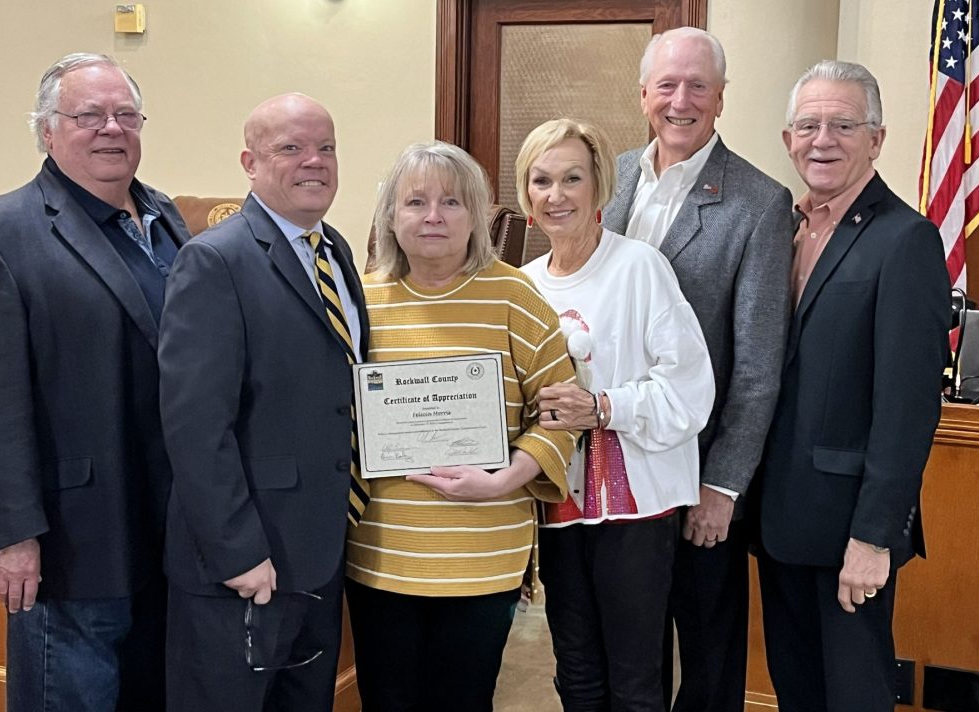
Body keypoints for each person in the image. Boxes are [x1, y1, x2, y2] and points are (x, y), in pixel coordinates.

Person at [0, 53, 189, 710]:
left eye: (125, 114)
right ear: (48, 131)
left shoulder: (165, 220)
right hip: (71, 545)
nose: (111, 128)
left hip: (169, 534)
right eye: (88, 116)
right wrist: (11, 536)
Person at [602, 26, 794, 711]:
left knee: (708, 653)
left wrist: (722, 486)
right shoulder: (608, 175)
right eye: (666, 85)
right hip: (611, 463)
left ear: (719, 98)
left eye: (698, 86)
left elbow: (757, 364)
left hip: (697, 471)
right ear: (642, 95)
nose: (680, 100)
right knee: (627, 648)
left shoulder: (759, 203)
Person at [345, 140, 575, 712]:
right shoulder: (359, 303)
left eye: (451, 202)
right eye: (415, 202)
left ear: (474, 215)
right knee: (387, 700)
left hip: (483, 553)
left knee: (464, 700)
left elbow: (560, 412)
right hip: (381, 552)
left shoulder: (515, 296)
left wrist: (503, 479)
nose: (432, 217)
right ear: (390, 218)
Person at [157, 93, 366, 712]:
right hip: (247, 563)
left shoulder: (336, 252)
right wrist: (239, 553)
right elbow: (196, 426)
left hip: (320, 551)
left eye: (326, 147)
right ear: (250, 161)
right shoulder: (214, 261)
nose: (315, 162)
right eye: (291, 148)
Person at [755, 60, 950, 712]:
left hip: (848, 536)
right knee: (797, 696)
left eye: (842, 124)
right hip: (779, 519)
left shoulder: (906, 240)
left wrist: (873, 538)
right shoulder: (782, 230)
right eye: (807, 125)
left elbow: (906, 409)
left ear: (876, 139)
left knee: (854, 698)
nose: (822, 140)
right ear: (787, 139)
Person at [516, 118, 715, 710]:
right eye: (542, 180)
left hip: (635, 509)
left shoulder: (640, 268)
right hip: (556, 504)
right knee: (575, 670)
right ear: (527, 197)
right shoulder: (522, 287)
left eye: (572, 178)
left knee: (634, 677)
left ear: (598, 186)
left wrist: (602, 407)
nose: (557, 195)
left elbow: (689, 391)